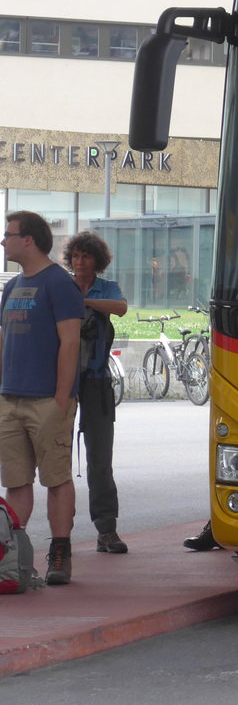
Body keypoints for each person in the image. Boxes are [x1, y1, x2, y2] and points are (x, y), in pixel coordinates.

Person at [0, 210, 84, 585]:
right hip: (10, 398)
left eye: (8, 234)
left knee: (55, 478)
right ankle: (13, 556)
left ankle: (60, 553)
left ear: (28, 240)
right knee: (16, 482)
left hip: (48, 401)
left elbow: (70, 342)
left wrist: (61, 399)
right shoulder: (11, 286)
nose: (3, 241)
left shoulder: (59, 284)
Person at [63, 230, 129, 555]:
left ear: (96, 260)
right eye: (75, 255)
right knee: (57, 459)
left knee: (100, 460)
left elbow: (120, 308)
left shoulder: (107, 289)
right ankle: (61, 537)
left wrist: (84, 301)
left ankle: (107, 530)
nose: (79, 261)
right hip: (62, 381)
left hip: (97, 382)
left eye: (85, 255)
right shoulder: (60, 286)